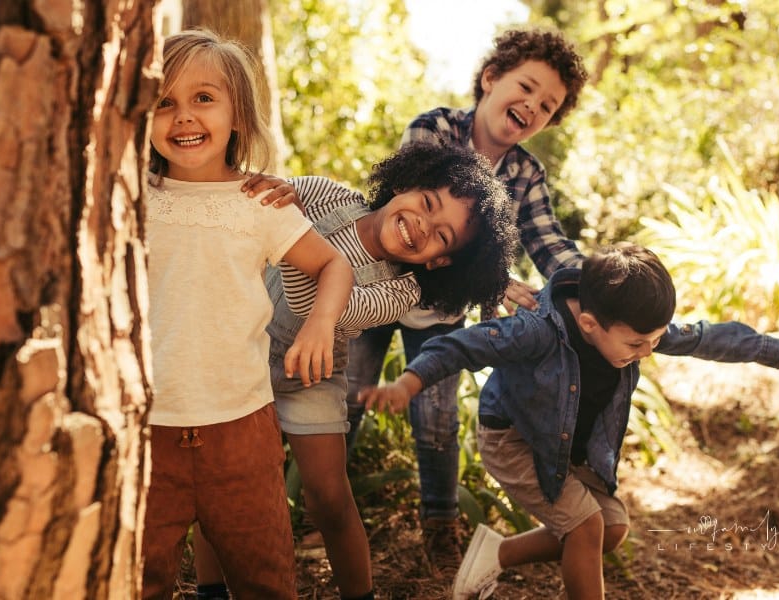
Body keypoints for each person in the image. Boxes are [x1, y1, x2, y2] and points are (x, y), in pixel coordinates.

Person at [358, 243, 779, 600]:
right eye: (637, 345)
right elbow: (462, 345)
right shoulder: (536, 330)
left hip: (566, 446)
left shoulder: (632, 325)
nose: (647, 352)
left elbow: (705, 338)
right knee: (586, 528)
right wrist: (408, 383)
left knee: (611, 529)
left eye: (654, 340)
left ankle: (497, 553)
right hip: (514, 441)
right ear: (589, 324)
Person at [197, 141, 519, 600]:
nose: (422, 225)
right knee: (221, 480)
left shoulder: (401, 291)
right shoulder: (328, 196)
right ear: (406, 183)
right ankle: (209, 590)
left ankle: (359, 594)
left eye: (442, 236)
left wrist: (290, 232)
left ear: (439, 261)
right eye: (428, 203)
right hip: (240, 354)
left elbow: (319, 307)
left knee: (329, 498)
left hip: (312, 375)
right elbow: (264, 201)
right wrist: (270, 193)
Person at [342, 26, 590, 570]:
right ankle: (324, 505)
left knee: (436, 417)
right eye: (526, 87)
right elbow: (405, 221)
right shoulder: (433, 130)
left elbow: (548, 243)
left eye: (547, 105)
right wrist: (493, 281)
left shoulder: (525, 173)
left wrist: (596, 285)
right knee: (349, 397)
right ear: (491, 78)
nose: (532, 105)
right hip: (376, 288)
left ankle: (440, 525)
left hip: (440, 312)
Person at [142, 29, 354, 599]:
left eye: (203, 98)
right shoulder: (130, 197)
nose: (184, 116)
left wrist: (319, 325)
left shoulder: (261, 203)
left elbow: (333, 264)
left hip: (241, 429)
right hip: (147, 429)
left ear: (238, 114)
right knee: (137, 580)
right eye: (165, 102)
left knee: (265, 579)